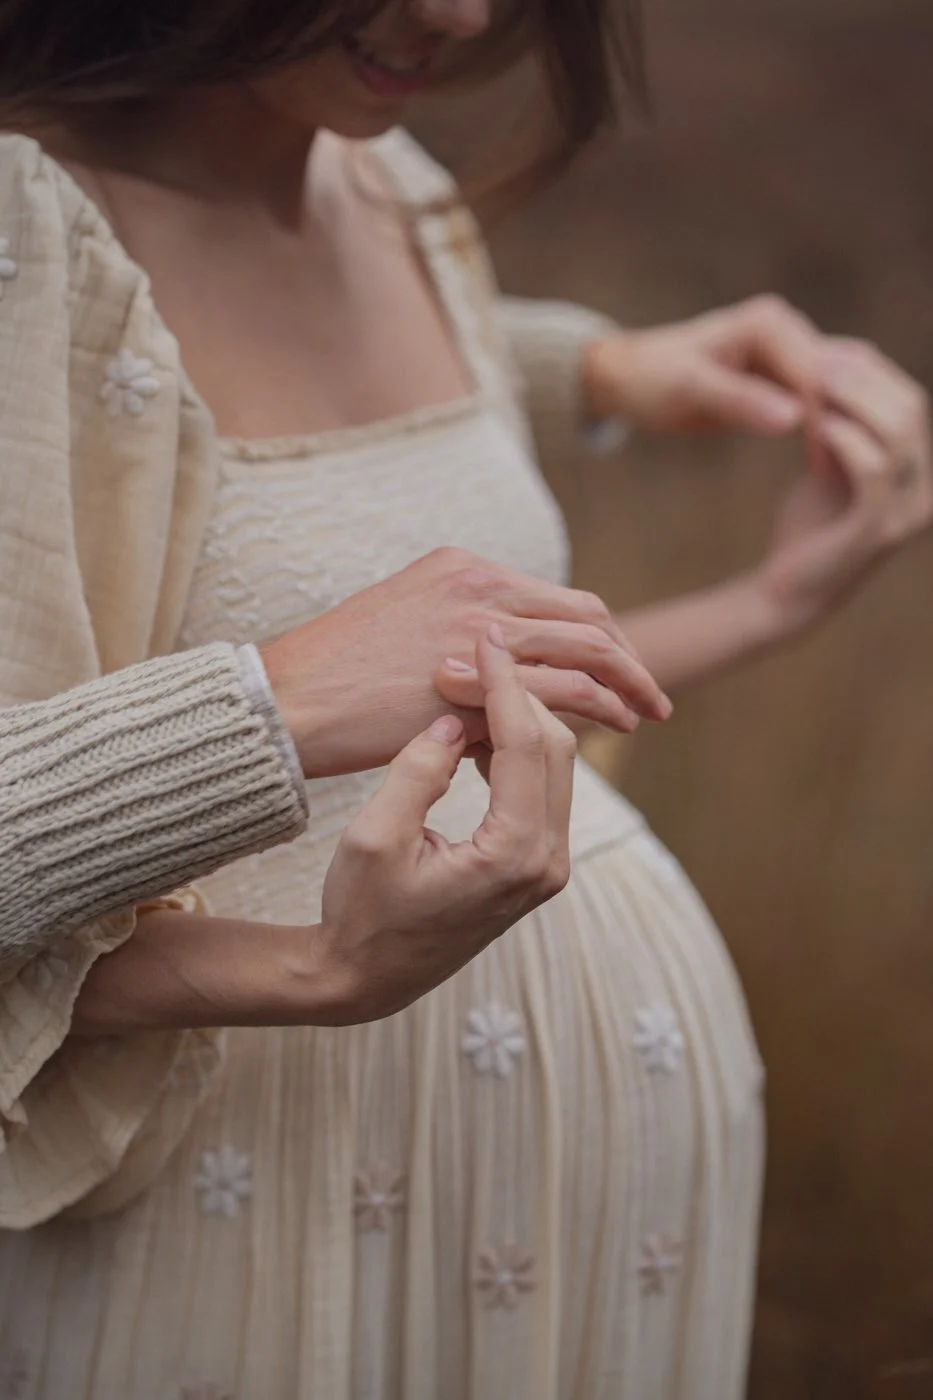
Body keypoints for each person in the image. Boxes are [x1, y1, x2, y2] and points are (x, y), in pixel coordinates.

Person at [0, 3, 929, 1400]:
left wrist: (750, 569)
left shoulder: (387, 175)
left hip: (609, 1241)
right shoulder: (21, 228)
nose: (461, 11)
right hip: (263, 1238)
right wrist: (277, 707)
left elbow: (264, 446)